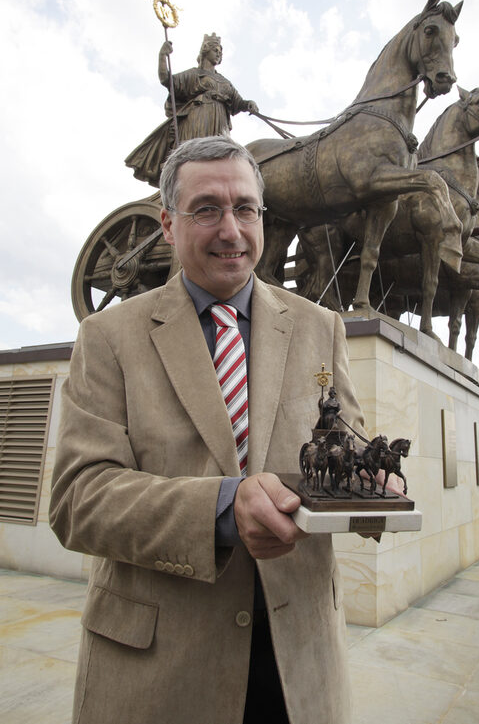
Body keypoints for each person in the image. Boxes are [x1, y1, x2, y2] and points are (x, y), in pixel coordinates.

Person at [50, 135, 371, 724]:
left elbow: (344, 444)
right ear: (168, 225)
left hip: (299, 665)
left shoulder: (321, 328)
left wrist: (374, 489)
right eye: (207, 210)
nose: (231, 229)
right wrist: (224, 508)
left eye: (245, 208)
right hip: (159, 673)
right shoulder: (107, 338)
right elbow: (77, 499)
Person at [125, 34, 259, 187]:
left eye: (220, 52)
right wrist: (163, 56)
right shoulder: (194, 74)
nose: (218, 54)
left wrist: (248, 103)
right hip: (198, 119)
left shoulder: (224, 81)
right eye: (215, 50)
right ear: (205, 50)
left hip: (219, 122)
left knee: (221, 156)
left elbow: (238, 102)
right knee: (196, 155)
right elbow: (166, 80)